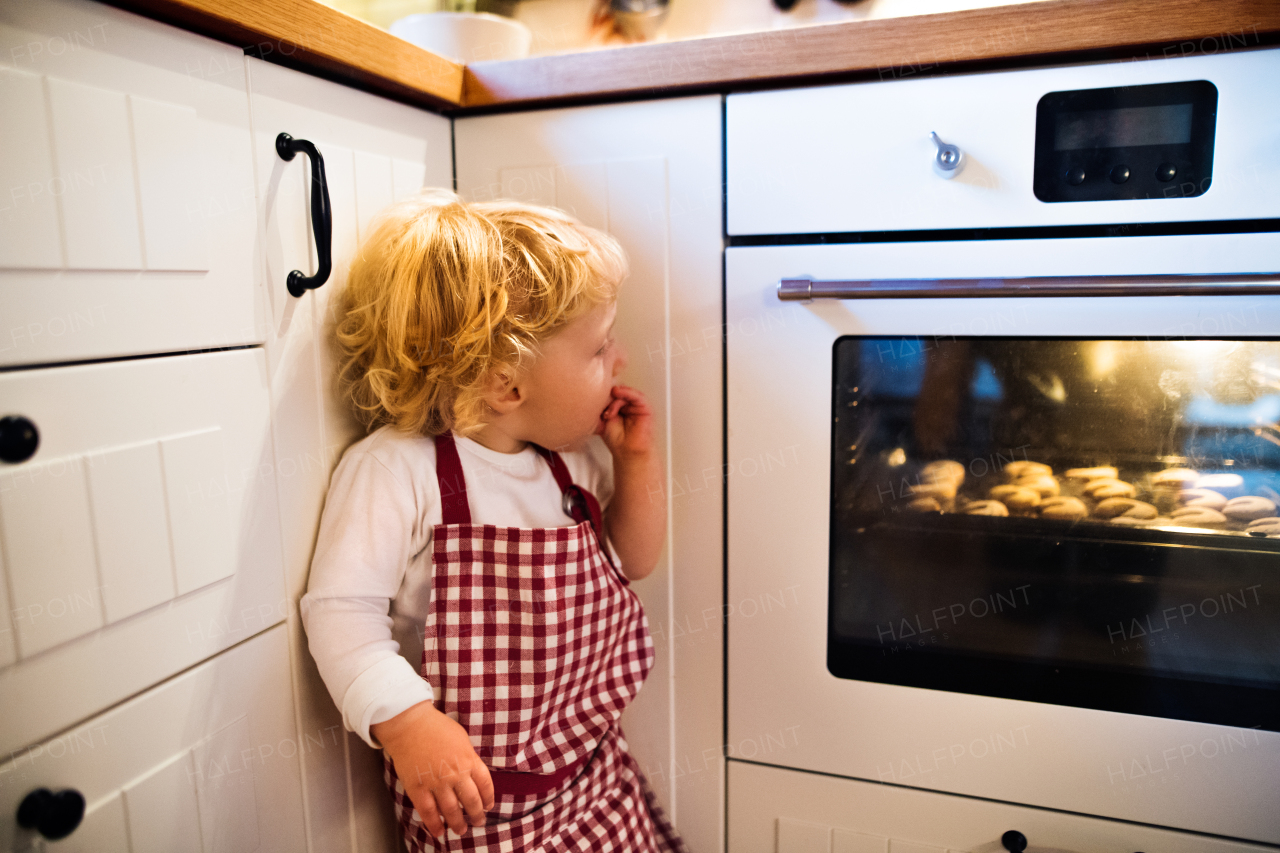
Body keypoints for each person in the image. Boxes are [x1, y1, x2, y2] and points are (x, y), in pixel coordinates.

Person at [301, 189, 688, 853]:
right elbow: (340, 611)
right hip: (481, 807)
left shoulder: (569, 466)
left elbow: (633, 558)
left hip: (594, 783)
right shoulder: (400, 470)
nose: (620, 361)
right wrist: (407, 721)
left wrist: (638, 464)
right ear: (507, 387)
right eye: (599, 349)